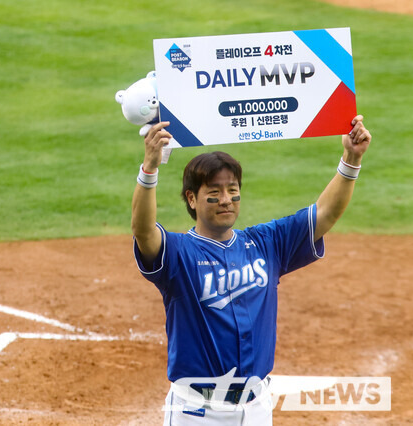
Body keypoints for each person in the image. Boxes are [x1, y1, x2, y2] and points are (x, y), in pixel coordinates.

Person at [131, 115, 371, 425]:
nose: (226, 199)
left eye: (233, 190)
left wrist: (352, 159)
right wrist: (149, 168)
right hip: (196, 413)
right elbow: (143, 230)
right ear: (191, 198)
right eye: (214, 192)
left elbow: (324, 213)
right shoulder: (179, 253)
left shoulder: (265, 242)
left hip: (257, 408)